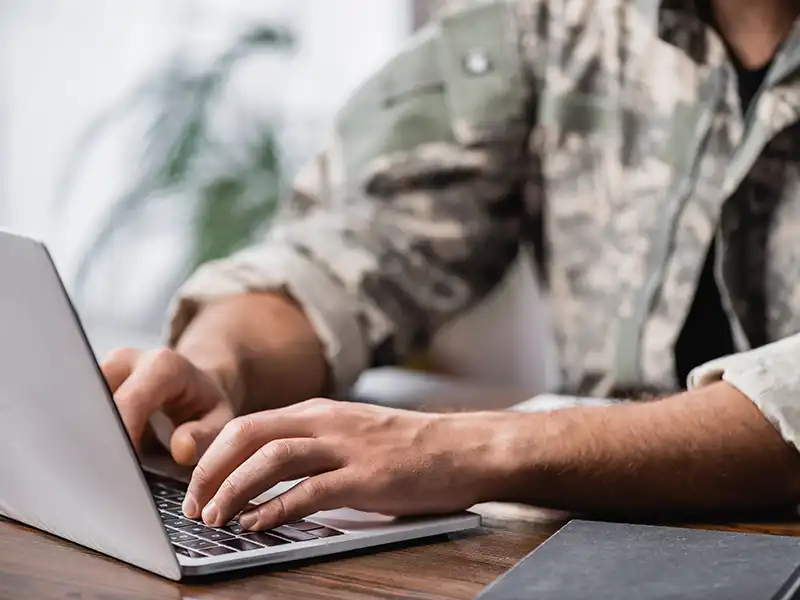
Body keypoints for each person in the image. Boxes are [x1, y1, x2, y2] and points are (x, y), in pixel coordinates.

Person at [103, 0, 800, 532]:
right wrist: (221, 362)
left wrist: (477, 448)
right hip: (581, 548)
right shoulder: (552, 19)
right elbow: (363, 239)